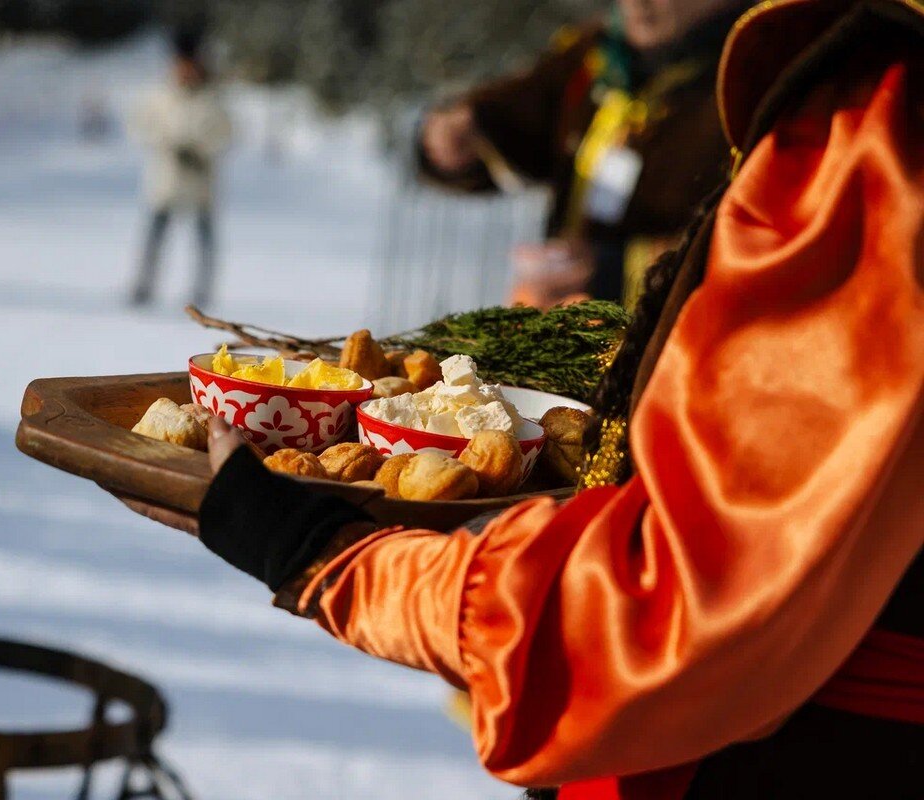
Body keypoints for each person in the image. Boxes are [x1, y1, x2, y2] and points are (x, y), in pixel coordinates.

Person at [134, 1, 924, 797]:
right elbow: (504, 119)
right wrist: (447, 137)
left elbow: (684, 607)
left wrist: (324, 555)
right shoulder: (599, 65)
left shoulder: (883, 115)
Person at [419, 0, 750, 308]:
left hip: (674, 349)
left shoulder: (750, 80)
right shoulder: (597, 55)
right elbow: (513, 118)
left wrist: (612, 271)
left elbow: (755, 241)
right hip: (572, 332)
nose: (639, 3)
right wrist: (459, 135)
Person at [129, 29, 232, 309]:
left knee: (203, 240)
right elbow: (141, 125)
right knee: (155, 236)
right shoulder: (161, 93)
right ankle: (143, 285)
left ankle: (201, 292)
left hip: (200, 183)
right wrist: (169, 145)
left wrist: (200, 150)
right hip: (167, 181)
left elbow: (226, 133)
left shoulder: (212, 97)